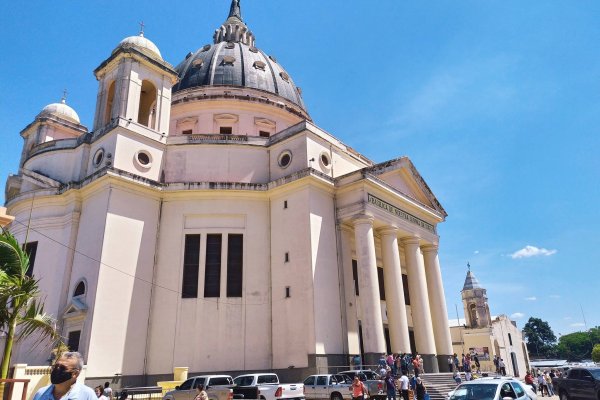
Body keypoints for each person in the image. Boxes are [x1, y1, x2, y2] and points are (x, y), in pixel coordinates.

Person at [33, 351, 97, 400]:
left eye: (62, 368)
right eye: (56, 366)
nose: (57, 370)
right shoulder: (41, 393)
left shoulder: (87, 395)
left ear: (75, 374)